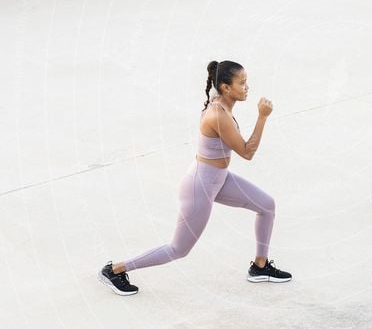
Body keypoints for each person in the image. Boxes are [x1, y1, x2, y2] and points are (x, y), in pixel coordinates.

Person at [98, 60, 291, 295]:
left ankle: (260, 266)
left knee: (267, 205)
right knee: (178, 249)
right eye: (242, 83)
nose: (247, 87)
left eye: (246, 82)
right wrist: (262, 117)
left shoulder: (221, 100)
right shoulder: (218, 115)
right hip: (201, 186)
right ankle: (115, 270)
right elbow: (247, 152)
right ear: (226, 87)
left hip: (218, 178)